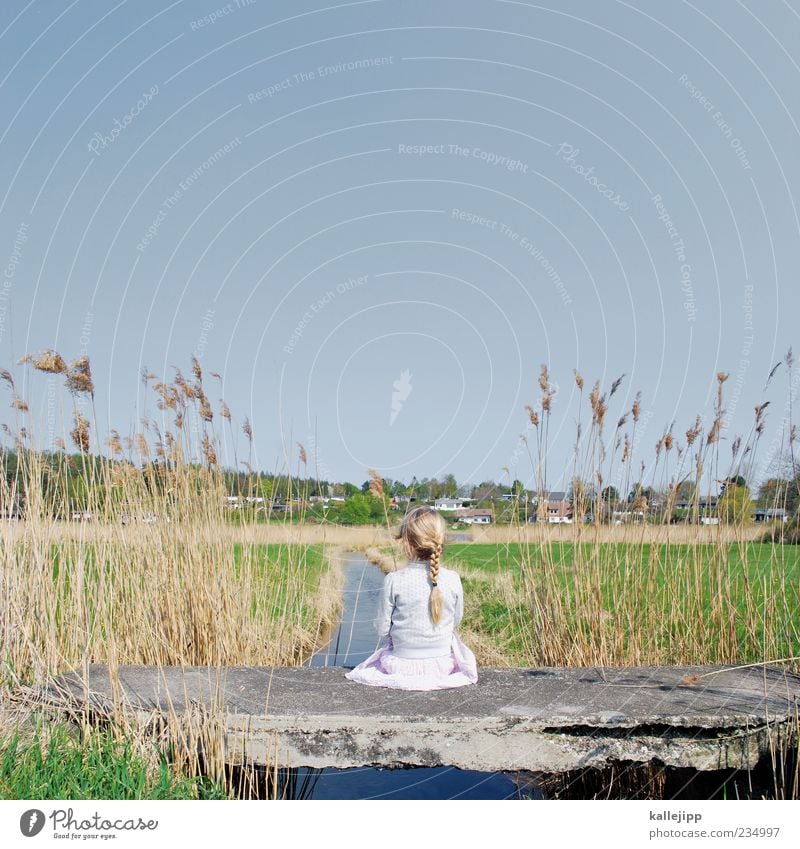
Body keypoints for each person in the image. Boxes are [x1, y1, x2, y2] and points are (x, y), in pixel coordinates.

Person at [345, 506, 478, 690]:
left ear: (406, 542)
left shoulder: (394, 580)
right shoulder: (453, 579)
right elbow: (456, 620)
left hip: (400, 666)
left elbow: (383, 629)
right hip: (442, 665)